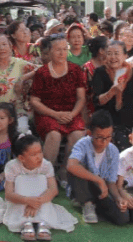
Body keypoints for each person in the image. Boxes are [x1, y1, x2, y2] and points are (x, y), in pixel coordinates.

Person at [30, 34, 86, 184]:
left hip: (70, 113)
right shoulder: (42, 73)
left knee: (78, 135)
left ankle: (65, 171)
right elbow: (34, 101)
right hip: (48, 113)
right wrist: (55, 114)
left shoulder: (75, 70)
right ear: (49, 52)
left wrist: (72, 114)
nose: (61, 53)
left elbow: (81, 98)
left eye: (64, 49)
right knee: (54, 134)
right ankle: (45, 175)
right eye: (57, 50)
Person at [3, 134, 78, 238]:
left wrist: (36, 203)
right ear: (21, 158)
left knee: (42, 179)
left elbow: (53, 190)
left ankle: (44, 221)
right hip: (20, 201)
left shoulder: (46, 165)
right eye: (33, 154)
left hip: (42, 201)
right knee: (20, 179)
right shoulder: (11, 166)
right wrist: (27, 200)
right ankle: (25, 222)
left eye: (40, 152)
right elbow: (9, 194)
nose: (39, 157)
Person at [66, 111, 129, 225]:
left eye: (108, 137)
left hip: (101, 190)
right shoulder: (83, 144)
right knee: (77, 167)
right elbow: (71, 165)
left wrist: (118, 198)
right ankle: (86, 203)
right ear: (90, 133)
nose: (104, 142)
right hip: (85, 184)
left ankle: (95, 205)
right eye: (99, 137)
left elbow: (111, 182)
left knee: (123, 217)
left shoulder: (113, 150)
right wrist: (98, 180)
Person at [92, 40, 133, 151]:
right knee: (121, 139)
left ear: (125, 55)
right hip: (108, 120)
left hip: (132, 119)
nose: (113, 57)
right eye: (109, 53)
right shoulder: (100, 72)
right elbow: (97, 100)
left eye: (116, 53)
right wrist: (112, 92)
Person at [0, 34, 35, 135]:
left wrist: (23, 78)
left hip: (16, 111)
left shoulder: (19, 64)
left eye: (4, 44)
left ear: (10, 46)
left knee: (23, 130)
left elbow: (41, 69)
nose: (1, 48)